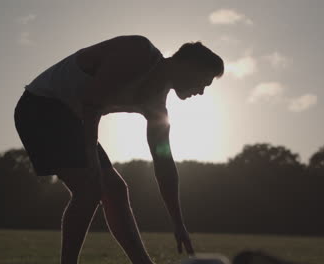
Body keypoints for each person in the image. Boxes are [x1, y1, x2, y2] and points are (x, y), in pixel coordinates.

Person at [14, 35, 224, 264]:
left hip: (73, 118)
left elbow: (164, 165)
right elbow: (91, 102)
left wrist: (178, 223)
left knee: (114, 191)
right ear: (189, 67)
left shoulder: (157, 108)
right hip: (41, 106)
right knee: (90, 189)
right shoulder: (139, 52)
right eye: (204, 82)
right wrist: (92, 160)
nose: (202, 92)